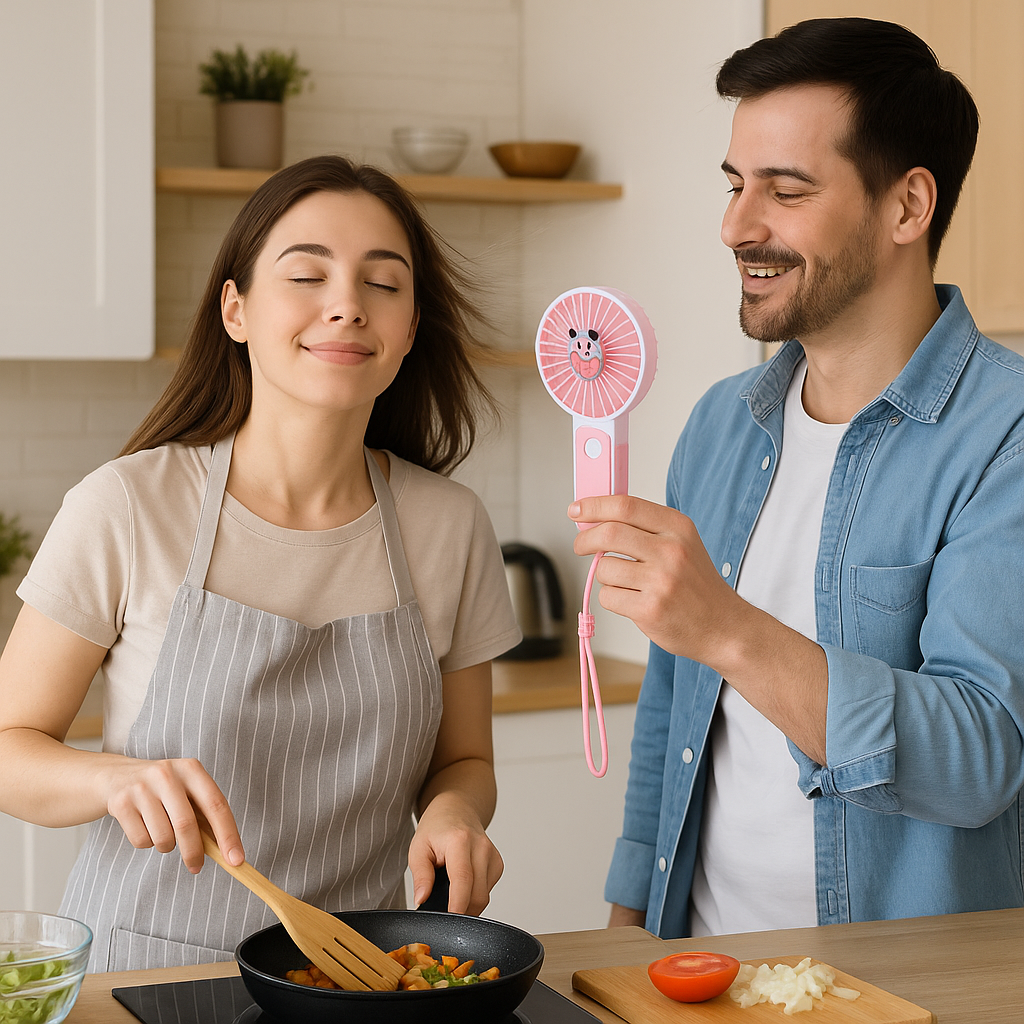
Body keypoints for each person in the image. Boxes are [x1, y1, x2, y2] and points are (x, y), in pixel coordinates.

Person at [0, 155, 521, 970]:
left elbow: (465, 759)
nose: (347, 306)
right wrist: (109, 782)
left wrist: (455, 813)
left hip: (355, 975)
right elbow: (8, 744)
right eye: (308, 275)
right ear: (236, 310)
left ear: (411, 328)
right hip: (144, 975)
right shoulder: (129, 505)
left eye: (384, 284)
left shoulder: (450, 527)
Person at [577, 18, 1024, 938]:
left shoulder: (1005, 435)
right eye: (737, 186)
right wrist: (626, 930)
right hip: (693, 973)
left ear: (907, 207)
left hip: (893, 991)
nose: (738, 226)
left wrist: (729, 629)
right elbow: (670, 708)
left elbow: (980, 757)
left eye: (785, 190)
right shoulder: (718, 424)